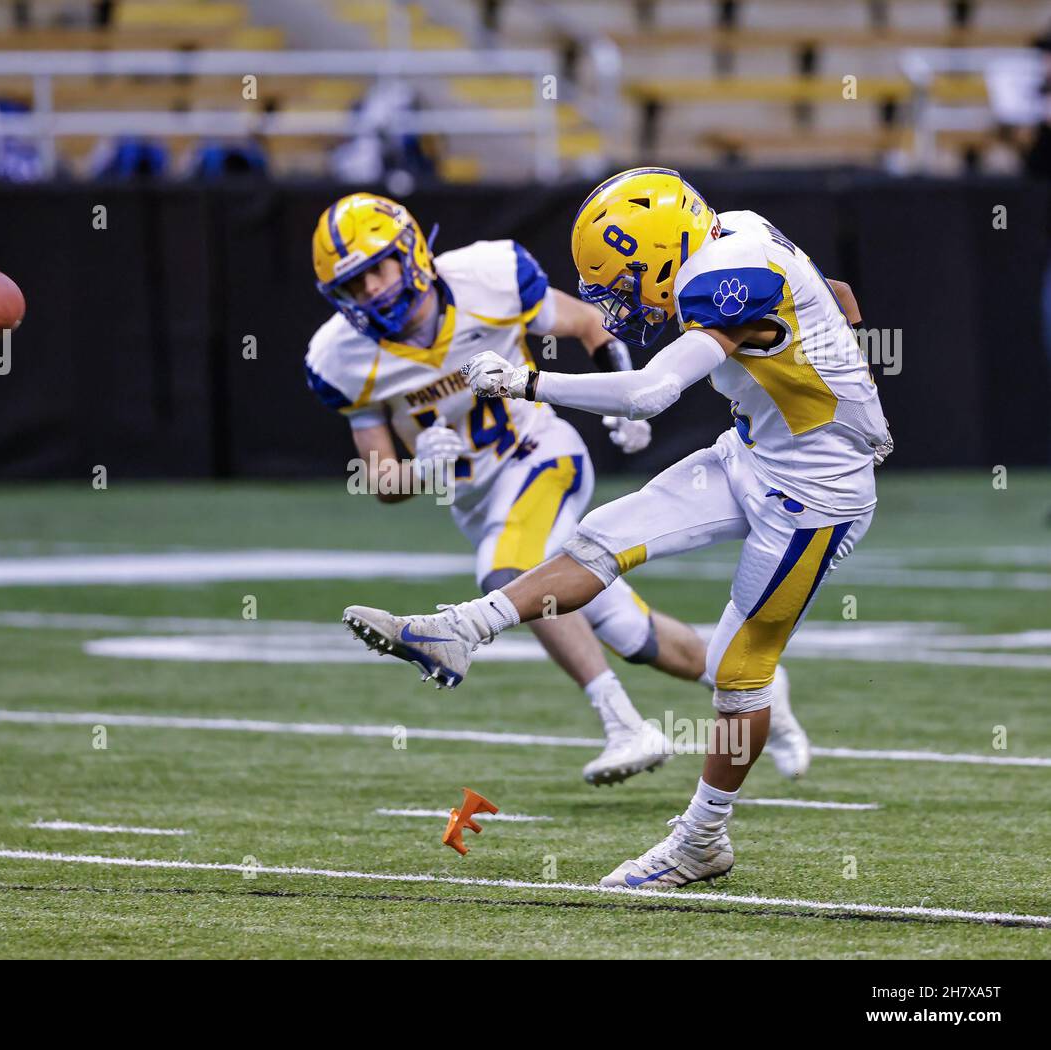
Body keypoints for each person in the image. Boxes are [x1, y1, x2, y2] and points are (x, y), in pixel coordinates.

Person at [342, 169, 892, 886]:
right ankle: (460, 631)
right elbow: (840, 297)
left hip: (817, 493)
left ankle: (702, 841)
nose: (615, 299)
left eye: (623, 280)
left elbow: (650, 393)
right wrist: (823, 341)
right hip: (755, 451)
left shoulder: (723, 277)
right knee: (604, 532)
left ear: (665, 251)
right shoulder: (735, 234)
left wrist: (529, 382)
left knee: (738, 673)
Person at [308, 190, 810, 787]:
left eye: (375, 272)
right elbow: (381, 478)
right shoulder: (339, 358)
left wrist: (627, 407)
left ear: (410, 250)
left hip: (541, 456)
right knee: (633, 635)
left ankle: (624, 725)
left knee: (504, 571)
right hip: (477, 500)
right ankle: (762, 689)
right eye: (353, 287)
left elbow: (591, 324)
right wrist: (418, 474)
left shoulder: (487, 278)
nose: (369, 293)